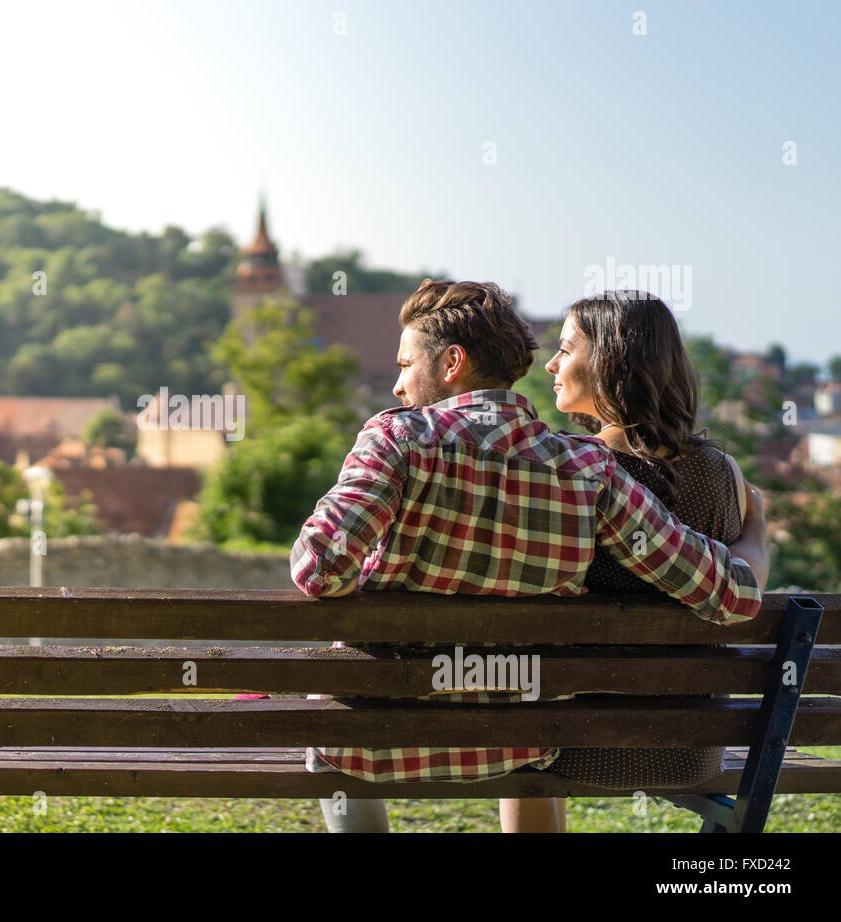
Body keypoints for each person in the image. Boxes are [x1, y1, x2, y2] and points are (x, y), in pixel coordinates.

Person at [290, 278, 769, 833]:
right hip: (514, 748)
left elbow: (320, 570)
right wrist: (754, 535)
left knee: (333, 735)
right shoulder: (589, 468)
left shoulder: (396, 440)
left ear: (451, 363)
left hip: (374, 743)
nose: (397, 386)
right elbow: (729, 594)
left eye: (404, 364)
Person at [499, 291, 756, 830]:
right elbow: (742, 589)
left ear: (609, 361)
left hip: (569, 744)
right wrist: (759, 529)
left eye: (565, 349)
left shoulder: (566, 469)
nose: (550, 363)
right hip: (692, 749)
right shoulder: (723, 472)